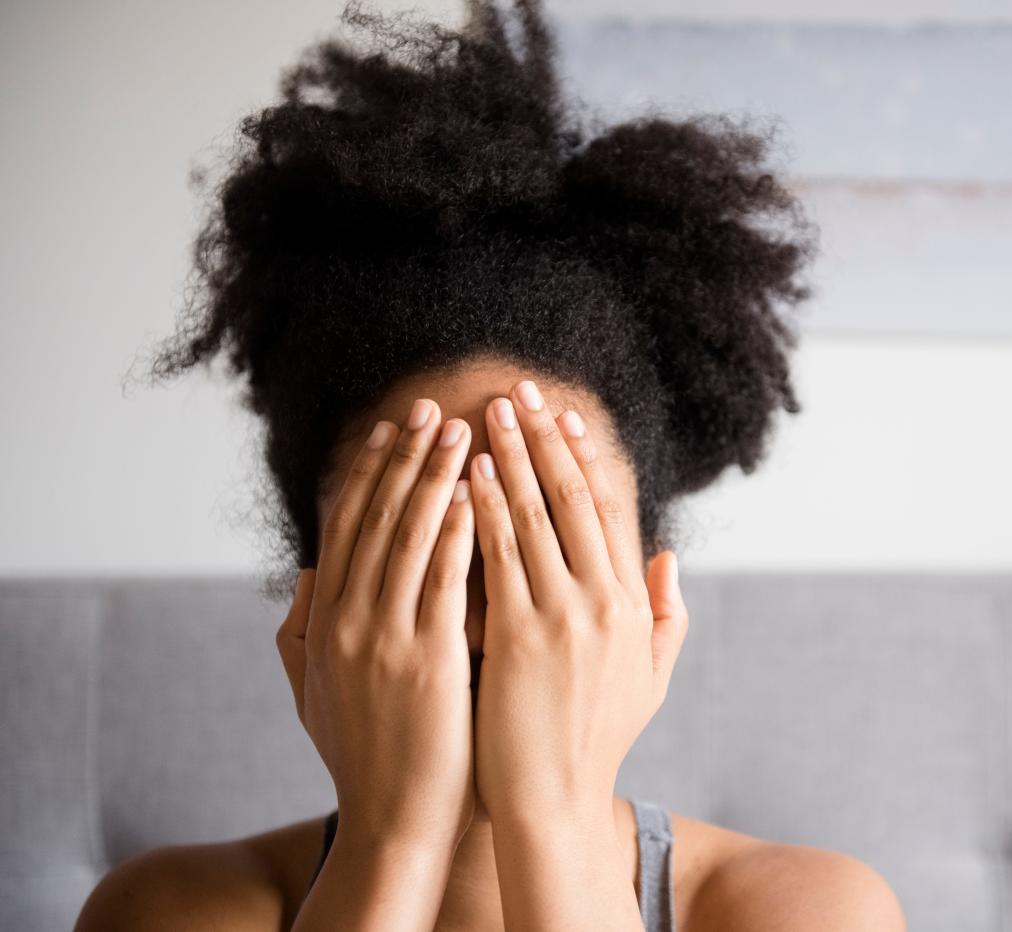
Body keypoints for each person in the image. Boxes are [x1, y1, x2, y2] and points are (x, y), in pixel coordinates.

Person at [76, 1, 905, 928]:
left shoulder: (810, 909)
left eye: (549, 527)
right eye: (419, 534)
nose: (491, 612)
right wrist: (393, 842)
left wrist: (549, 814)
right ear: (312, 606)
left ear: (652, 603)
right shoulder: (167, 908)